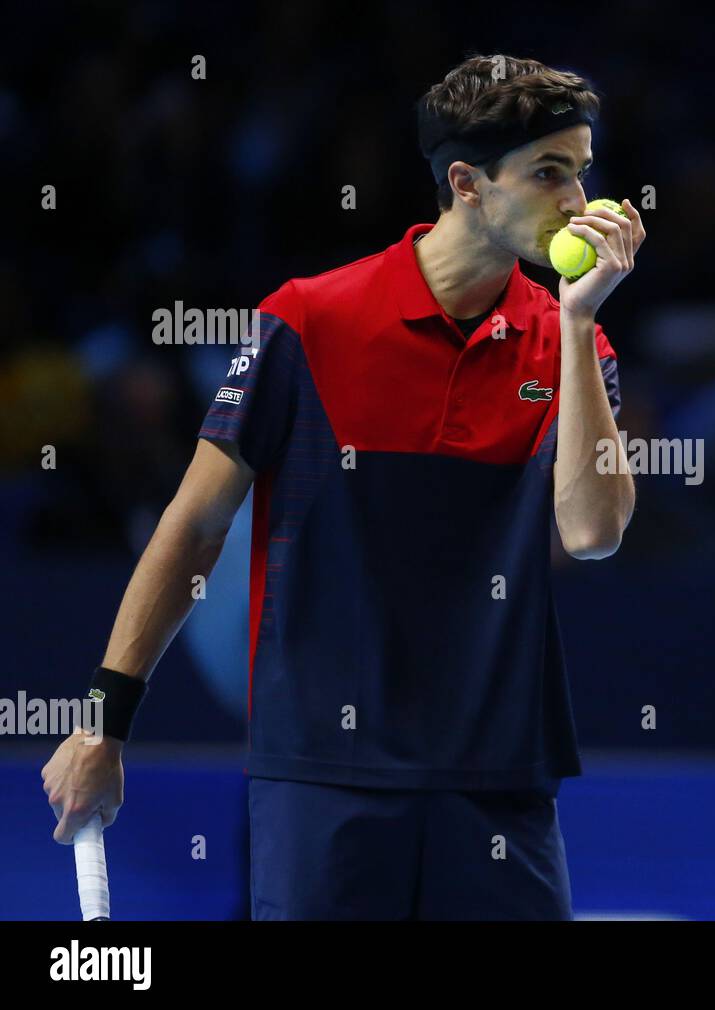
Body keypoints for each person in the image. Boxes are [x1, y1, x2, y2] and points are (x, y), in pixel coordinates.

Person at [42, 53, 640, 920]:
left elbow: (594, 533)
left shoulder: (567, 343)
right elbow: (194, 524)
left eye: (581, 171)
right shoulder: (310, 321)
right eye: (550, 173)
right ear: (467, 183)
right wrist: (105, 721)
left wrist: (581, 324)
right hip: (323, 775)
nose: (579, 202)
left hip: (501, 779)